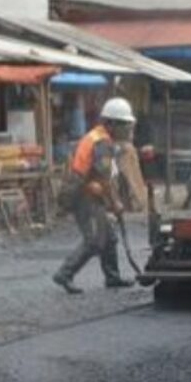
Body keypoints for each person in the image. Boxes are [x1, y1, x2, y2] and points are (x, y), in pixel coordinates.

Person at [52, 97, 137, 295]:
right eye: (124, 125)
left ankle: (112, 277)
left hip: (88, 191)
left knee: (110, 237)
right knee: (94, 240)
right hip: (83, 195)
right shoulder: (102, 142)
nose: (126, 129)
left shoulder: (99, 137)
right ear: (111, 124)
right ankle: (64, 274)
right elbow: (104, 177)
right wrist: (115, 203)